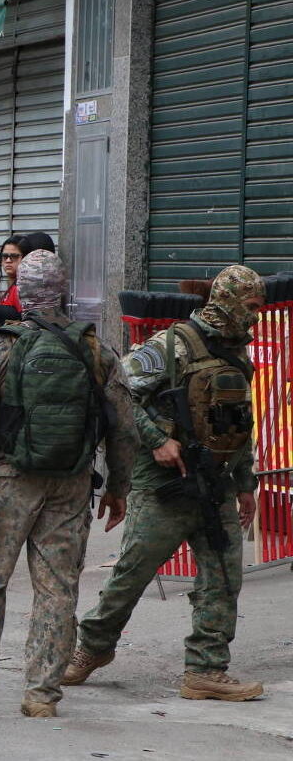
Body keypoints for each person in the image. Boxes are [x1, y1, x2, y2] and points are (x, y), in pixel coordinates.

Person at [0, 250, 137, 718]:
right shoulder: (96, 350)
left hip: (7, 482)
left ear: (21, 292)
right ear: (62, 292)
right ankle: (42, 695)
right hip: (71, 483)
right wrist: (118, 488)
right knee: (57, 590)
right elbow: (124, 427)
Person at [63, 265, 265, 702]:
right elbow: (117, 392)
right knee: (132, 573)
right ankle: (91, 648)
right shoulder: (172, 345)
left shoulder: (238, 353)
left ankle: (206, 669)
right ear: (228, 301)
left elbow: (239, 422)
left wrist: (245, 481)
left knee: (223, 578)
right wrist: (156, 440)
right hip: (163, 484)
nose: (256, 316)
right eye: (250, 307)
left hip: (217, 483)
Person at [0, 235, 25, 326]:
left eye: (14, 256)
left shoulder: (21, 288)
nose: (8, 260)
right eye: (4, 256)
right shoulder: (11, 286)